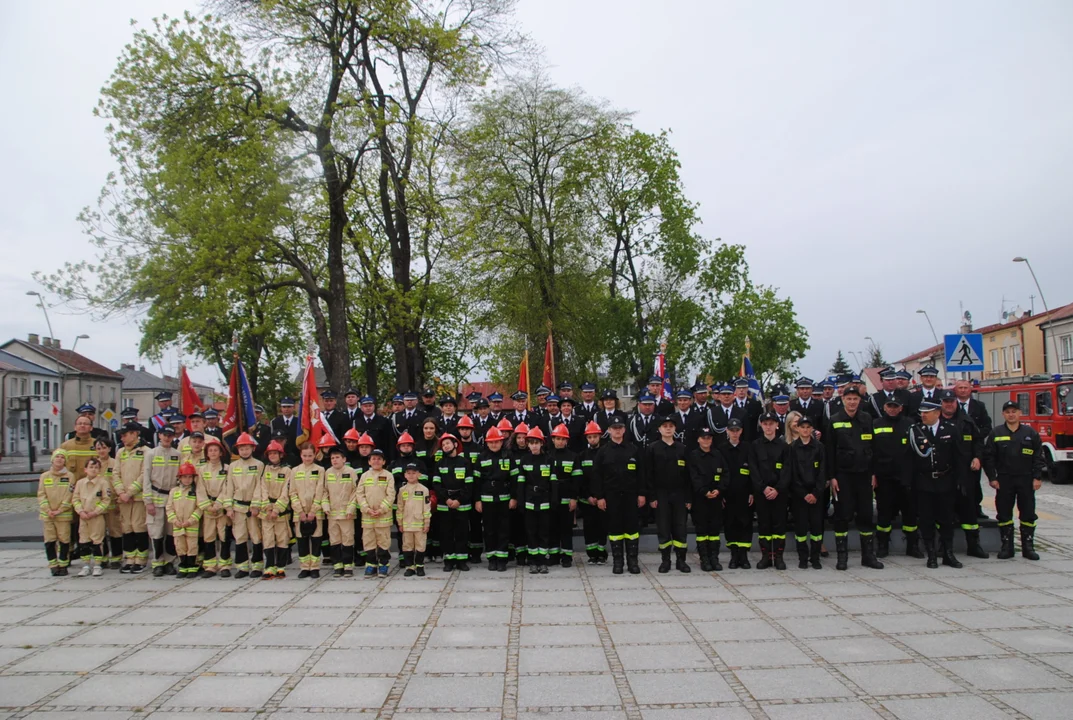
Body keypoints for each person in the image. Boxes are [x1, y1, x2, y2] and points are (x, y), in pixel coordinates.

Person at [825, 386, 883, 571]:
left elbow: (873, 448)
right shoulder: (834, 420)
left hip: (864, 475)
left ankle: (868, 556)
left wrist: (873, 473)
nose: (852, 402)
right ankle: (842, 558)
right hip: (843, 476)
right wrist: (832, 477)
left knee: (866, 515)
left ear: (860, 401)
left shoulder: (866, 419)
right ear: (843, 400)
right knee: (842, 515)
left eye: (855, 399)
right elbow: (829, 451)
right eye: (848, 399)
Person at [982, 400, 1045, 561]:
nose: (1011, 414)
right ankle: (1007, 546)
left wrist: (1037, 477)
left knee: (1028, 513)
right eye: (1008, 412)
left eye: (1014, 411)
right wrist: (992, 478)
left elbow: (1038, 456)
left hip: (1026, 479)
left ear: (1019, 413)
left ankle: (1028, 546)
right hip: (1004, 479)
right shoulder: (996, 433)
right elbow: (988, 458)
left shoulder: (1030, 433)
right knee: (1003, 513)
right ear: (1003, 414)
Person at [909, 402, 964, 569]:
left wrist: (960, 479)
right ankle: (931, 554)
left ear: (938, 413)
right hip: (924, 481)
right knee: (926, 519)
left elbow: (959, 455)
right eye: (921, 412)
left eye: (928, 412)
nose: (923, 415)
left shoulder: (950, 429)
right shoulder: (916, 431)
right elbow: (909, 459)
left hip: (945, 480)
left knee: (946, 519)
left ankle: (948, 553)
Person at [939, 389, 989, 559]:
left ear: (956, 403)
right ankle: (944, 547)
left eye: (951, 401)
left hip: (965, 474)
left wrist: (977, 457)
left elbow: (978, 442)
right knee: (944, 513)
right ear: (941, 403)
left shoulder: (966, 421)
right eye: (945, 402)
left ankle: (973, 545)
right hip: (944, 474)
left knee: (969, 511)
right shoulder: (935, 422)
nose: (948, 404)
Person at [593, 417, 646, 574]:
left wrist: (642, 494)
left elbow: (641, 473)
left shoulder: (633, 449)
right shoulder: (603, 452)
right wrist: (600, 497)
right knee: (615, 529)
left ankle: (632, 561)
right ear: (609, 430)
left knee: (632, 529)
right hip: (611, 497)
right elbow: (597, 476)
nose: (617, 430)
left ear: (624, 430)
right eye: (614, 428)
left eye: (620, 427)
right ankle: (618, 562)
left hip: (631, 496)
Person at [872, 397, 922, 560]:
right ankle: (882, 545)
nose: (892, 409)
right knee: (884, 513)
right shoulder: (876, 424)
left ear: (901, 408)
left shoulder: (910, 425)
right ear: (884, 407)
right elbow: (871, 451)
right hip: (884, 477)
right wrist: (872, 474)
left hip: (906, 477)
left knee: (910, 513)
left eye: (896, 406)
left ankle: (912, 546)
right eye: (889, 406)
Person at [645, 416, 692, 573]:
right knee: (663, 528)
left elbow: (688, 476)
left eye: (671, 426)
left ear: (675, 429)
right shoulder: (652, 448)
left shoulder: (682, 449)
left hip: (679, 494)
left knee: (680, 527)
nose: (668, 428)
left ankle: (681, 560)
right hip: (661, 494)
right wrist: (651, 497)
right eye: (664, 426)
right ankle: (665, 560)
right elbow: (648, 474)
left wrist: (688, 498)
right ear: (659, 429)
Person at [749, 412, 791, 570]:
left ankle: (778, 557)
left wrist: (778, 489)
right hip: (762, 493)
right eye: (765, 423)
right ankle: (766, 556)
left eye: (771, 423)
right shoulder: (755, 446)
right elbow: (753, 469)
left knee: (779, 526)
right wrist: (763, 488)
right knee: (764, 525)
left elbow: (787, 470)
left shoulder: (784, 447)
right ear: (761, 426)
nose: (768, 427)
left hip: (780, 493)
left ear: (777, 425)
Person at [223, 433, 266, 578]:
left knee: (256, 536)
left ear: (252, 448)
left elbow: (260, 486)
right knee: (240, 537)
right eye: (241, 449)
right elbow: (228, 488)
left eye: (247, 448)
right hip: (237, 507)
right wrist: (228, 507)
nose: (244, 451)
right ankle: (242, 567)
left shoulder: (259, 465)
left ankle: (257, 566)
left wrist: (256, 505)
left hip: (253, 508)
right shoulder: (233, 466)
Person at [143, 425, 182, 576]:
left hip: (171, 497)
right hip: (155, 495)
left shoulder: (177, 454)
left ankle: (170, 561)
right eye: (164, 435)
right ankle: (157, 562)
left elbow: (179, 479)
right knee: (156, 532)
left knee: (171, 532)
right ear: (159, 436)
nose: (167, 438)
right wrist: (148, 501)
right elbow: (146, 477)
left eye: (170, 435)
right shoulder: (151, 454)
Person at [474, 427, 515, 571]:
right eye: (491, 442)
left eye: (497, 442)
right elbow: (476, 481)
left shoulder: (508, 456)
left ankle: (502, 559)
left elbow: (514, 478)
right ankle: (492, 558)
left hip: (504, 498)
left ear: (501, 442)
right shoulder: (482, 457)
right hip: (486, 499)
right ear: (487, 443)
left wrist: (514, 497)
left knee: (504, 529)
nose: (494, 445)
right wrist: (477, 500)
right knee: (489, 530)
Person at [788, 415, 825, 569]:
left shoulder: (819, 447)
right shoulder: (792, 448)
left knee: (817, 528)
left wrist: (815, 493)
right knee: (801, 528)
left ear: (811, 429)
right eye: (802, 427)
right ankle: (803, 557)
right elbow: (792, 474)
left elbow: (823, 472)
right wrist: (803, 494)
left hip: (816, 494)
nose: (805, 430)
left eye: (808, 427)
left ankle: (815, 558)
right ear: (797, 428)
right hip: (799, 495)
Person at [112, 422, 149, 574]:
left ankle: (141, 560)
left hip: (138, 497)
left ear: (135, 434)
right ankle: (129, 558)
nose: (122, 437)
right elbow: (115, 474)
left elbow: (144, 474)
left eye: (125, 434)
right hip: (123, 498)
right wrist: (121, 492)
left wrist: (130, 492)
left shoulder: (146, 451)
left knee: (138, 526)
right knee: (126, 528)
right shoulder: (120, 452)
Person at [953, 379, 993, 519]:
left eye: (965, 387)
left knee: (974, 481)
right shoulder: (950, 405)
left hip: (974, 448)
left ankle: (976, 508)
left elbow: (987, 426)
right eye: (960, 388)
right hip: (956, 448)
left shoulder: (979, 406)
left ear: (970, 389)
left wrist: (976, 435)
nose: (963, 390)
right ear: (955, 390)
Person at [517, 426, 554, 574]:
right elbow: (521, 483)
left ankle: (542, 560)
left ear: (542, 443)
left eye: (536, 442)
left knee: (543, 532)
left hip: (545, 501)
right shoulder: (524, 460)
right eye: (531, 443)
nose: (534, 445)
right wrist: (520, 501)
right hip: (529, 502)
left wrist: (554, 501)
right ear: (528, 444)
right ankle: (533, 561)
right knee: (531, 531)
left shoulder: (549, 460)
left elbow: (553, 483)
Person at [434, 433, 473, 571]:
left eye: (448, 443)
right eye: (443, 445)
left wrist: (459, 500)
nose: (445, 446)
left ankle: (462, 560)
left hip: (462, 504)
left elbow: (469, 485)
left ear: (455, 444)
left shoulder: (465, 462)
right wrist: (447, 499)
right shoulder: (439, 464)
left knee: (462, 533)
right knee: (446, 533)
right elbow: (436, 485)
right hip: (445, 505)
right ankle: (449, 560)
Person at [689, 426, 724, 571]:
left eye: (709, 438)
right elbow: (693, 477)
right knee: (702, 530)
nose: (706, 440)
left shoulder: (718, 455)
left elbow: (725, 473)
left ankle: (714, 558)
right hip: (700, 499)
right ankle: (704, 559)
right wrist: (704, 491)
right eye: (703, 437)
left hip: (716, 498)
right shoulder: (693, 456)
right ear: (698, 439)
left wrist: (719, 489)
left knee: (715, 530)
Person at [356, 448, 396, 578]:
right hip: (367, 517)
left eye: (379, 459)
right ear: (369, 461)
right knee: (369, 542)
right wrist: (366, 509)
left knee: (383, 541)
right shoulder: (364, 476)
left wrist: (381, 509)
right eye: (373, 458)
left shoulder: (388, 475)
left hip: (383, 516)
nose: (376, 461)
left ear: (384, 461)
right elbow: (359, 494)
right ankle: (371, 565)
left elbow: (391, 495)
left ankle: (383, 565)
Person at [319, 446, 357, 578]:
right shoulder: (327, 472)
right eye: (332, 458)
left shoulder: (351, 472)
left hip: (347, 513)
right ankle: (337, 565)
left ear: (344, 459)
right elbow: (324, 492)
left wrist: (351, 508)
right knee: (334, 540)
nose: (334, 460)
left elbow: (355, 492)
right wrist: (325, 506)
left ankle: (347, 566)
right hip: (332, 514)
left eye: (337, 458)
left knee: (347, 539)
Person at [720, 419, 753, 569]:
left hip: (745, 493)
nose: (734, 433)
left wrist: (752, 492)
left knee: (745, 523)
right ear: (727, 431)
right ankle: (734, 555)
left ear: (741, 431)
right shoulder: (721, 449)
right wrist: (720, 493)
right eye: (731, 430)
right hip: (727, 494)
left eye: (737, 430)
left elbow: (754, 471)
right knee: (730, 524)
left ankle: (744, 556)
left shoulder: (748, 448)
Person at [197, 436, 232, 577]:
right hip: (208, 508)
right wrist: (207, 505)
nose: (212, 453)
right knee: (209, 537)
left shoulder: (227, 469)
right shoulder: (201, 470)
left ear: (221, 452)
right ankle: (210, 566)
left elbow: (228, 488)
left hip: (221, 507)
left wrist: (218, 504)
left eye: (215, 450)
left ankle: (225, 565)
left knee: (224, 536)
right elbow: (200, 489)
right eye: (210, 450)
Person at [290, 443, 325, 578]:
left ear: (314, 455)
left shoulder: (320, 470)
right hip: (299, 512)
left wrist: (313, 510)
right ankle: (304, 567)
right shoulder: (295, 471)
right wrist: (299, 510)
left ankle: (315, 567)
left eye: (310, 455)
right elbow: (292, 492)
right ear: (301, 455)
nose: (307, 458)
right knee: (302, 541)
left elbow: (320, 490)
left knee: (316, 540)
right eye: (304, 455)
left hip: (315, 511)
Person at [258, 441, 292, 578]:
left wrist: (277, 509)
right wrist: (267, 506)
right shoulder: (265, 470)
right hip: (266, 511)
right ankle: (269, 567)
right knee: (268, 539)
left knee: (282, 538)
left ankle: (281, 567)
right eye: (270, 453)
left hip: (281, 512)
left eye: (275, 453)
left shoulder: (287, 471)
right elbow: (262, 488)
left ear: (281, 455)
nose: (272, 456)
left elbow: (286, 491)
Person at [73, 457, 112, 576]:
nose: (93, 470)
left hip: (96, 516)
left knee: (97, 541)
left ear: (99, 470)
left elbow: (106, 499)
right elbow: (75, 499)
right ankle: (85, 565)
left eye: (96, 467)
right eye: (91, 467)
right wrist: (80, 511)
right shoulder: (80, 483)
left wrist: (96, 511)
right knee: (84, 540)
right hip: (84, 517)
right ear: (85, 469)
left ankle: (97, 565)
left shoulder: (103, 483)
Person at [38, 449, 74, 576]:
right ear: (52, 459)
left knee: (64, 540)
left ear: (65, 461)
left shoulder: (70, 476)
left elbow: (69, 495)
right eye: (57, 457)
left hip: (63, 515)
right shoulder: (45, 476)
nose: (59, 459)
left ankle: (63, 564)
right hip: (47, 516)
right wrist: (47, 509)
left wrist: (61, 509)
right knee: (50, 541)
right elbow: (41, 494)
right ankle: (53, 565)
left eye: (62, 457)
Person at [578, 421, 608, 564]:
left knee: (602, 526)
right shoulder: (582, 455)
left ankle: (601, 553)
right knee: (589, 527)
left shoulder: (606, 453)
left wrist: (600, 496)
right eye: (590, 437)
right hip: (587, 500)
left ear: (600, 436)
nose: (592, 440)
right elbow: (581, 479)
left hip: (602, 499)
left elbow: (607, 477)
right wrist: (587, 496)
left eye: (595, 437)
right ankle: (592, 554)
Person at [167, 462, 203, 578]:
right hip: (178, 525)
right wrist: (174, 520)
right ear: (180, 478)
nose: (187, 480)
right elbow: (169, 508)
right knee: (180, 546)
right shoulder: (174, 491)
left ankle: (192, 568)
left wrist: (191, 520)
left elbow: (199, 508)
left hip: (191, 525)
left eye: (190, 477)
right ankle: (183, 567)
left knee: (192, 546)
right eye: (185, 477)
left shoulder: (196, 491)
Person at [397, 463, 433, 576]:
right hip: (407, 523)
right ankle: (409, 567)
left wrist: (426, 523)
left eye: (414, 473)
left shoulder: (424, 489)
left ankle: (420, 566)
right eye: (409, 473)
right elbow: (399, 507)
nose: (411, 475)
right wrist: (400, 523)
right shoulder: (402, 490)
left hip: (420, 524)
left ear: (419, 474)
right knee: (407, 545)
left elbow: (427, 507)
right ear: (405, 475)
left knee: (420, 545)